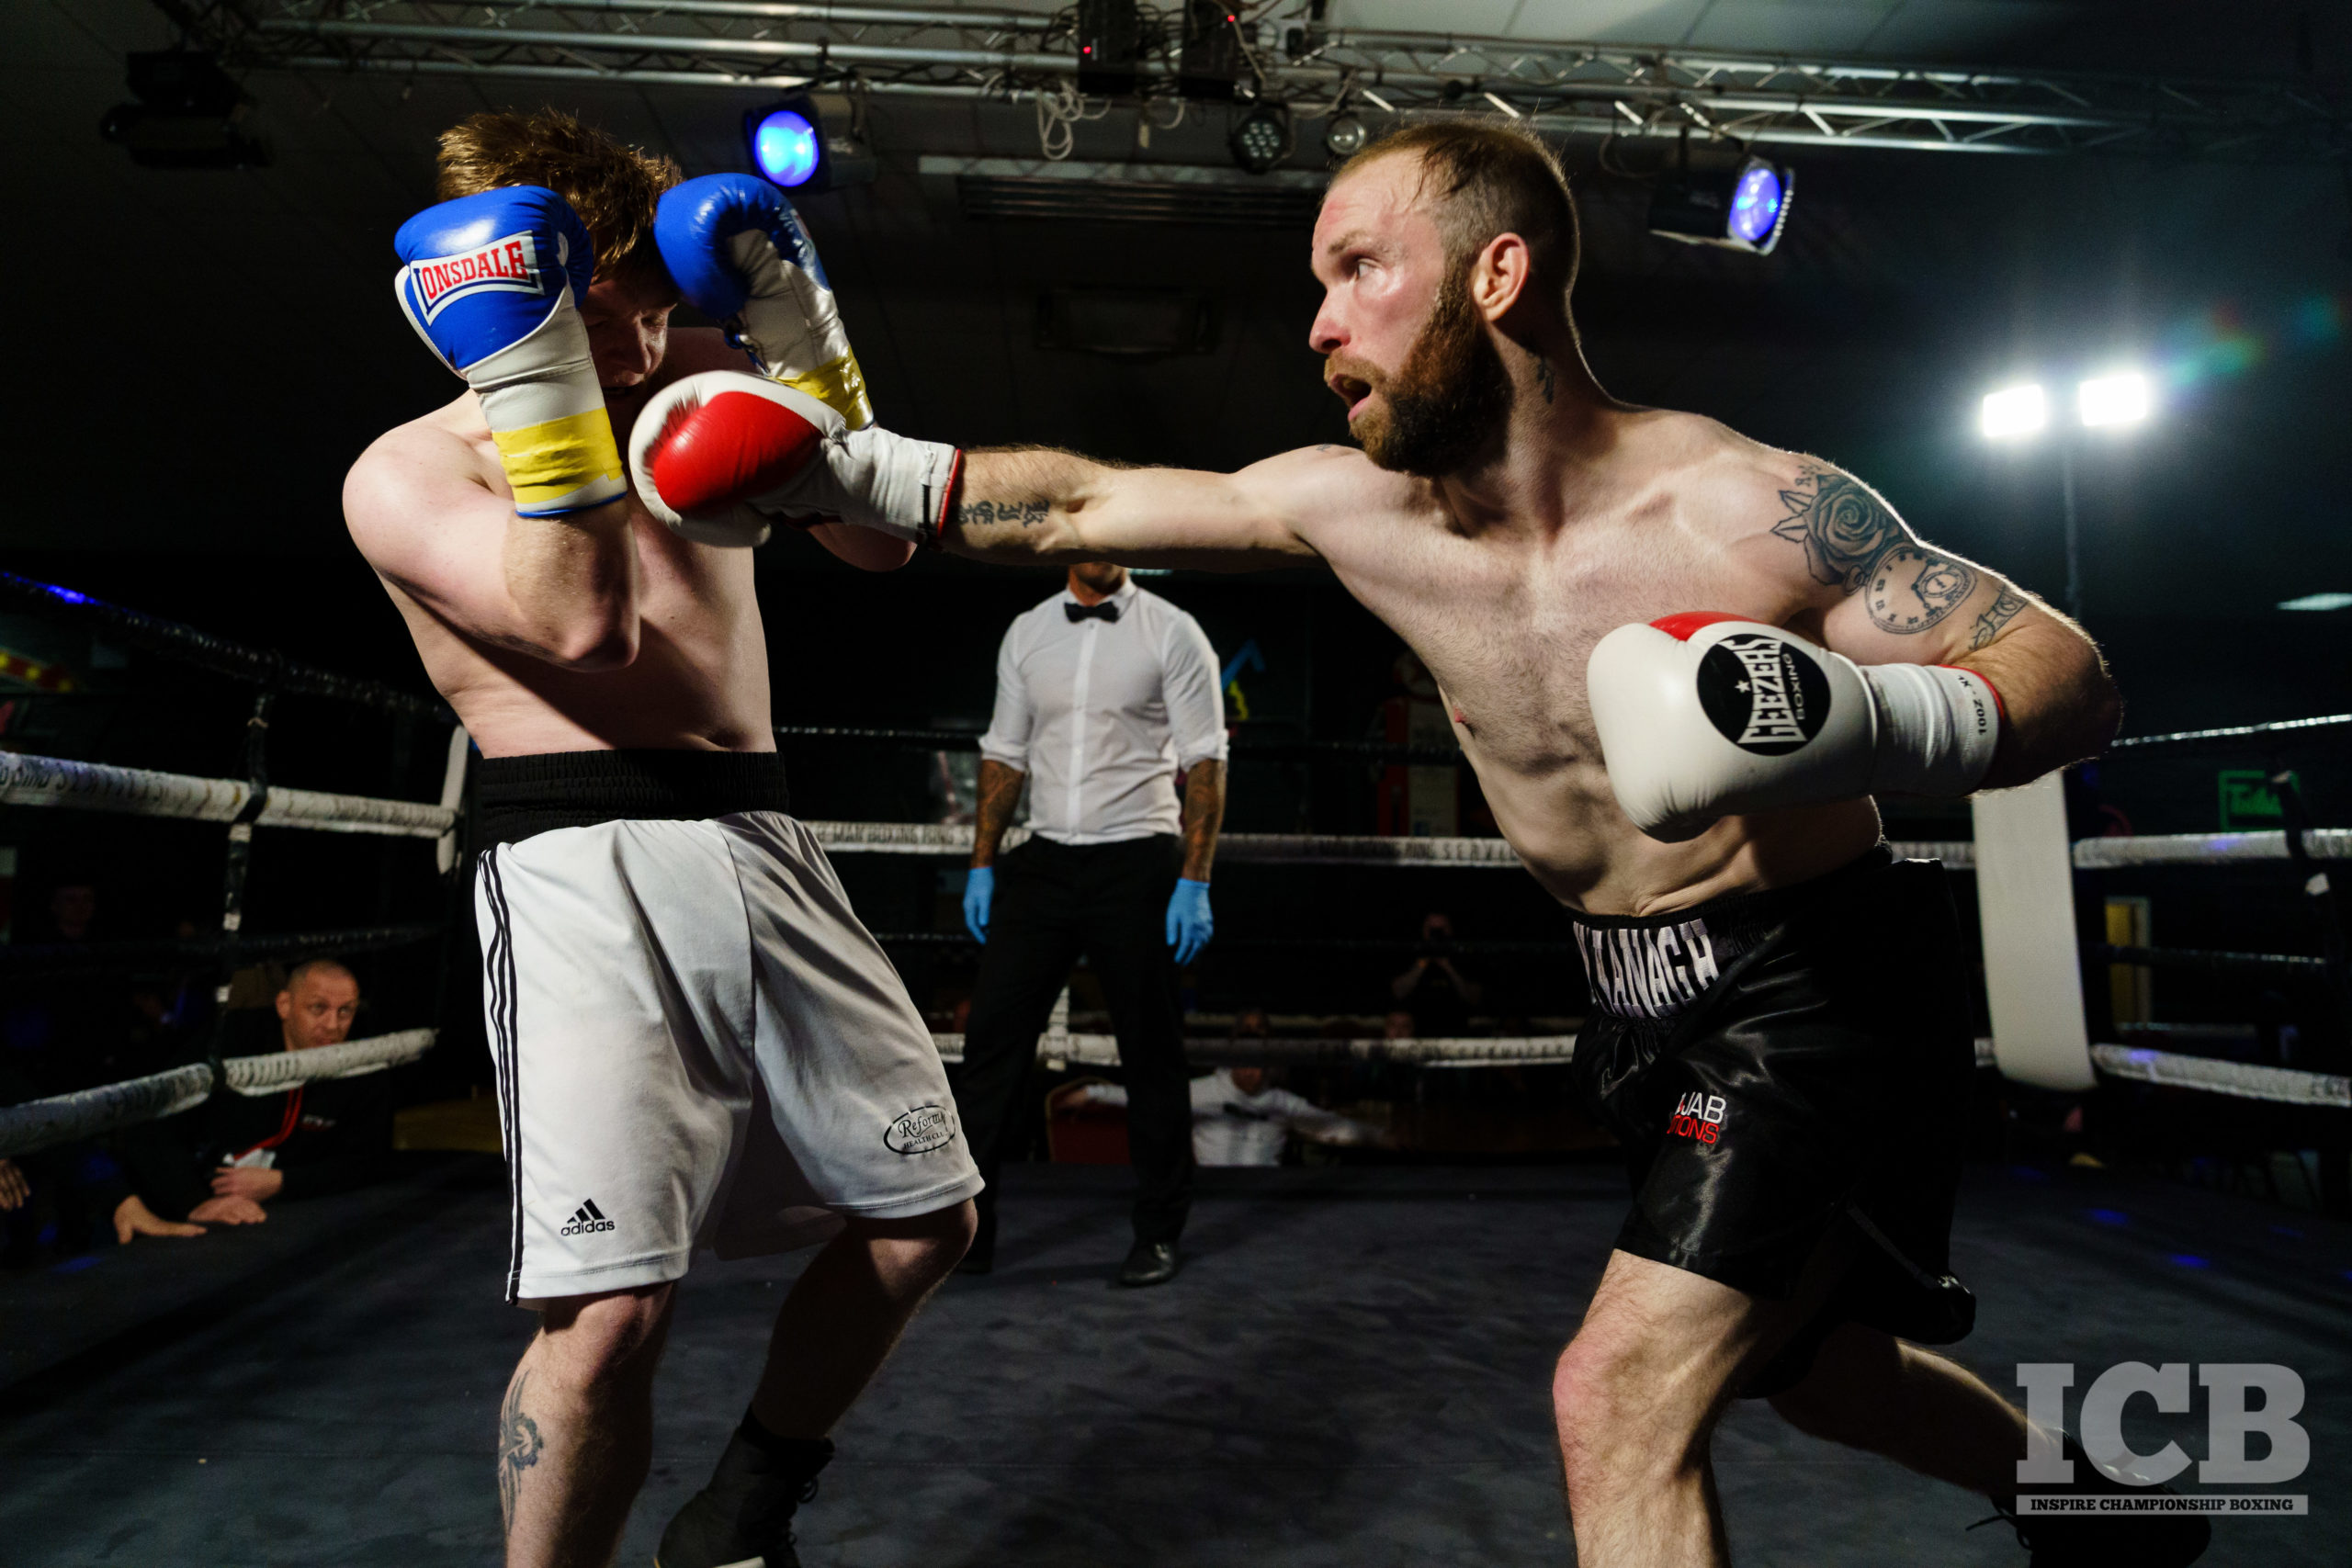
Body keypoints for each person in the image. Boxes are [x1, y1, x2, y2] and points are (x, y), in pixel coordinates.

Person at [632, 118, 2199, 1566]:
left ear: (1494, 275)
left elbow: (2068, 673)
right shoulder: (1353, 506)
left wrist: (1856, 715)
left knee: (1618, 1395)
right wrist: (845, 469)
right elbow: (1076, 507)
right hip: (1630, 993)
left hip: (1817, 985)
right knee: (1825, 1370)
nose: (1319, 326)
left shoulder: (1743, 510)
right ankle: (2102, 1507)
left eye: (1357, 271)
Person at [341, 109, 980, 1568]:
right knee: (613, 1308)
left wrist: (806, 343)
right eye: (601, 307)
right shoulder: (407, 476)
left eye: (650, 297)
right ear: (504, 298)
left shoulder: (697, 371)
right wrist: (543, 384)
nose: (640, 338)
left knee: (925, 1217)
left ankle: (739, 1513)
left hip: (761, 832)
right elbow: (582, 624)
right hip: (579, 859)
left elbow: (879, 542)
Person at [953, 559, 1228, 1286]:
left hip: (1138, 857)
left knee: (1151, 1053)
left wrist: (1195, 879)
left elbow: (1206, 759)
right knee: (989, 1048)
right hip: (1043, 860)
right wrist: (981, 863)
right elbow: (1004, 754)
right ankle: (966, 1237)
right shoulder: (1028, 631)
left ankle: (1159, 1233)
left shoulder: (1172, 631)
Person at [112, 960, 396, 1231]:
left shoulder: (362, 1059)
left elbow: (369, 1159)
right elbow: (151, 1125)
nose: (333, 1025)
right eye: (318, 1008)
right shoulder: (229, 1040)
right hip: (188, 1203)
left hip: (287, 1218)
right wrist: (195, 1200)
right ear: (284, 1005)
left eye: (345, 1011)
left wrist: (283, 1182)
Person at [1072, 1066, 1381, 1168]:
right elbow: (1151, 1097)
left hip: (1266, 1195)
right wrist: (1095, 1092)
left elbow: (1330, 1126)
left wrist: (1382, 1137)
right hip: (1212, 1192)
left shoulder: (1282, 1102)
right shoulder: (1205, 1090)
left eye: (1257, 1065)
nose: (1249, 1072)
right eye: (1242, 1064)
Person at [1389, 910, 1482, 1037]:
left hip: (1456, 1032)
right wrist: (1422, 964)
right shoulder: (1412, 953)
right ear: (1423, 930)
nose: (1437, 933)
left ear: (1450, 930)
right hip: (1417, 1035)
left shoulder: (1463, 956)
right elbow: (1398, 993)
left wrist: (1448, 967)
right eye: (1432, 929)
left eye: (1441, 929)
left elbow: (1474, 998)